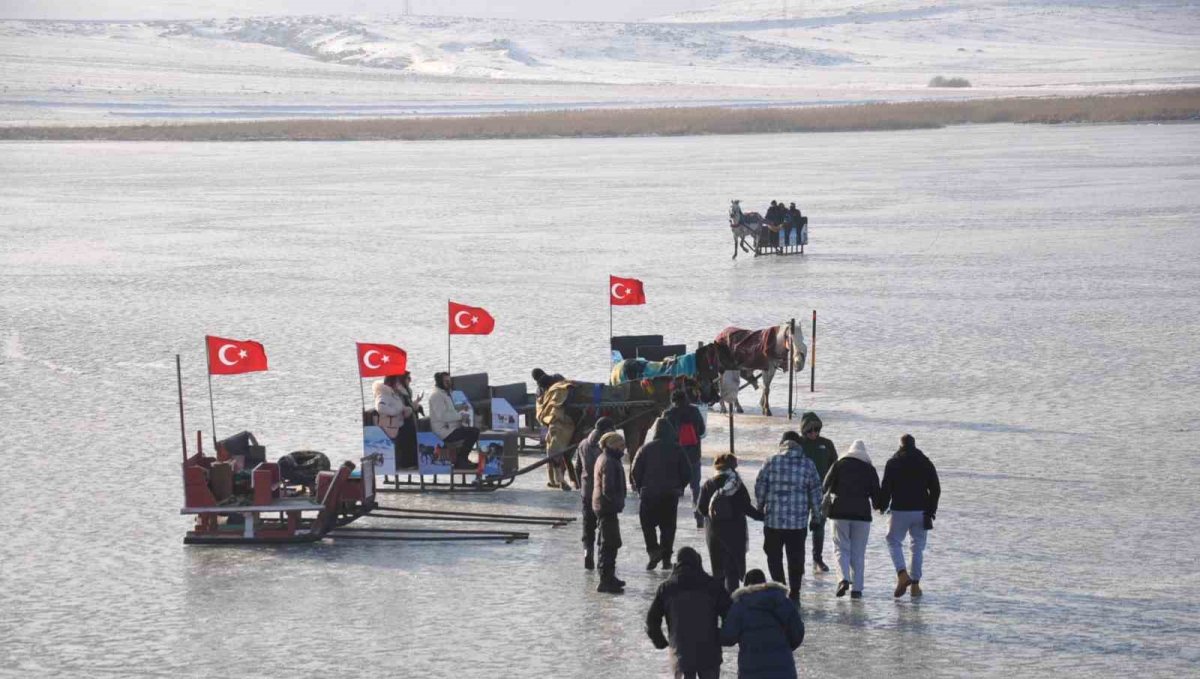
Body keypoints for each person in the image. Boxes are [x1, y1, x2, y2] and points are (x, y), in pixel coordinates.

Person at [755, 431, 824, 603]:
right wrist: (816, 518)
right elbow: (816, 494)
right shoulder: (808, 464)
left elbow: (760, 486)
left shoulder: (770, 461)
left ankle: (780, 588)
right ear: (799, 444)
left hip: (773, 521)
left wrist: (760, 506)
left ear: (782, 443)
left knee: (773, 556)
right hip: (798, 523)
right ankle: (795, 592)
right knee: (796, 558)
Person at [646, 547, 731, 679]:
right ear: (698, 563)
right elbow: (730, 614)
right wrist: (724, 637)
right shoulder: (713, 586)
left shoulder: (667, 588)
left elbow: (651, 620)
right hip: (710, 653)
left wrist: (660, 641)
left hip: (680, 653)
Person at [879, 434, 941, 598]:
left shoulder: (893, 462)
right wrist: (931, 511)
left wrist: (882, 505)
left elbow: (886, 488)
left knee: (893, 541)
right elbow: (935, 489)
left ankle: (902, 574)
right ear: (915, 445)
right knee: (917, 547)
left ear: (900, 446)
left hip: (899, 510)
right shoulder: (925, 462)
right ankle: (915, 585)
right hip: (921, 511)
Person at [823, 439, 882, 599]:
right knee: (858, 552)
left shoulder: (839, 464)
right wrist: (880, 506)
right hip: (862, 515)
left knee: (840, 548)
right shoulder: (869, 469)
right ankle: (857, 589)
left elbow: (825, 485)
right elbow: (877, 497)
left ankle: (843, 579)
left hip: (839, 512)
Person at [720, 569, 805, 679]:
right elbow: (798, 634)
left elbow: (728, 637)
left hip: (751, 670)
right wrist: (782, 648)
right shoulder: (783, 602)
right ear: (765, 583)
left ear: (746, 586)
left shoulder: (740, 606)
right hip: (783, 670)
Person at [697, 453, 763, 592]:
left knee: (718, 571)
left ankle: (719, 604)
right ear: (732, 466)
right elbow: (746, 507)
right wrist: (762, 516)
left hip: (714, 533)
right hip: (734, 533)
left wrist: (713, 514)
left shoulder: (709, 484)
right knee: (732, 572)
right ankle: (732, 604)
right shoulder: (736, 484)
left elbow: (701, 508)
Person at [631, 418, 692, 570]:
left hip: (648, 493)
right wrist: (679, 486)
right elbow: (687, 472)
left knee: (647, 525)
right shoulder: (678, 449)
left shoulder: (644, 449)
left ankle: (653, 551)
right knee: (668, 527)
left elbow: (635, 470)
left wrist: (640, 487)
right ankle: (666, 559)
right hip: (670, 494)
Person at [798, 412, 837, 573]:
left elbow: (835, 467)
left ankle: (817, 558)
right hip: (800, 493)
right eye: (810, 431)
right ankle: (799, 560)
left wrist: (832, 489)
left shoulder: (827, 444)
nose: (814, 433)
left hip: (821, 493)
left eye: (816, 430)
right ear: (804, 431)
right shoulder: (799, 444)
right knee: (799, 528)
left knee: (818, 526)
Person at [575, 417, 616, 570]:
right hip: (602, 493)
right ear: (606, 431)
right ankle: (601, 557)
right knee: (604, 525)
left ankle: (587, 552)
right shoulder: (606, 448)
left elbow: (578, 468)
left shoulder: (583, 444)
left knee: (588, 524)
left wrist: (581, 486)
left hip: (586, 491)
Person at [664, 389, 707, 528]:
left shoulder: (668, 414)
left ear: (673, 401)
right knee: (695, 488)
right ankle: (699, 516)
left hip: (675, 457)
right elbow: (701, 431)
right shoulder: (694, 411)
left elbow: (663, 435)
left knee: (674, 489)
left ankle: (671, 518)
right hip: (693, 456)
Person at [593, 431, 628, 594]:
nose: (624, 449)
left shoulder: (607, 458)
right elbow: (608, 488)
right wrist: (617, 502)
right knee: (609, 544)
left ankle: (609, 576)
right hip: (607, 507)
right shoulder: (609, 461)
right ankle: (605, 579)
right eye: (621, 446)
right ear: (612, 445)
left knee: (610, 542)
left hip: (604, 506)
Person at [428, 371, 479, 469]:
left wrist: (460, 407)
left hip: (451, 428)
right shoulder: (436, 396)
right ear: (439, 382)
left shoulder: (446, 394)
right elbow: (442, 416)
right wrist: (460, 416)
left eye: (449, 381)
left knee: (473, 429)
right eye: (446, 381)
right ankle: (461, 460)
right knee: (474, 432)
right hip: (444, 431)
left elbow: (450, 409)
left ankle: (462, 459)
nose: (449, 383)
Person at [532, 367, 571, 489]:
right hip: (561, 421)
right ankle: (558, 480)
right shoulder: (558, 378)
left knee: (552, 450)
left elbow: (541, 409)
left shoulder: (540, 390)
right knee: (555, 451)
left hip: (552, 421)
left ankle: (554, 480)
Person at [372, 372, 423, 468]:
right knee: (407, 435)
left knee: (410, 433)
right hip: (391, 427)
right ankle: (406, 463)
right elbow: (380, 407)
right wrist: (396, 411)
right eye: (396, 382)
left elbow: (399, 405)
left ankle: (411, 462)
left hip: (398, 423)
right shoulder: (384, 394)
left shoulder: (392, 393)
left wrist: (406, 409)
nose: (398, 384)